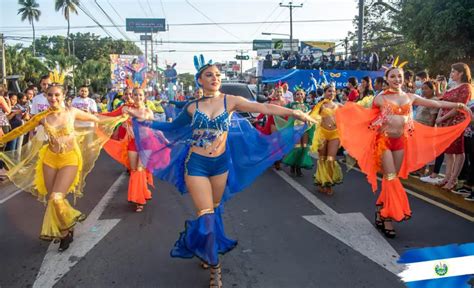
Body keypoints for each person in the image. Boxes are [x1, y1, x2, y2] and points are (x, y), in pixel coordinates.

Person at [129, 56, 315, 287]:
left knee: (214, 211)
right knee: (206, 213)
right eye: (209, 75)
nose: (215, 78)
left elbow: (264, 107)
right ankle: (215, 267)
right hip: (195, 164)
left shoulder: (231, 100)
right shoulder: (192, 107)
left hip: (220, 165)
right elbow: (170, 128)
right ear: (200, 80)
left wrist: (295, 113)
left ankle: (206, 247)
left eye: (218, 75)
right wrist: (145, 123)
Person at [335, 66, 471, 239]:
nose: (397, 79)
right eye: (393, 76)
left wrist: (459, 105)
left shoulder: (410, 97)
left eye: (399, 76)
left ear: (404, 79)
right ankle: (387, 217)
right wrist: (344, 110)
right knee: (391, 177)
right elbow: (365, 115)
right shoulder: (380, 98)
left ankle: (380, 210)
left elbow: (436, 103)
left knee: (392, 178)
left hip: (400, 143)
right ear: (387, 79)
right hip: (383, 142)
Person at [0, 82, 124, 251]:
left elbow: (99, 118)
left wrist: (122, 117)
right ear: (46, 96)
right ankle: (66, 229)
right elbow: (19, 131)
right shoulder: (42, 117)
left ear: (64, 96)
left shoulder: (72, 112)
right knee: (53, 199)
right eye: (50, 95)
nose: (53, 98)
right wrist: (1, 140)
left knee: (56, 198)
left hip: (70, 159)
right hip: (49, 159)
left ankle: (66, 231)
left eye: (57, 95)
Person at [102, 88, 155, 212]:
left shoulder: (147, 111)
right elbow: (111, 115)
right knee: (134, 170)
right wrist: (93, 115)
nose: (137, 97)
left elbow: (151, 124)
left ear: (144, 96)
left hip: (145, 144)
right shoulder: (127, 109)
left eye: (140, 95)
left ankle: (139, 200)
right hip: (132, 143)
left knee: (140, 168)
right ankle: (141, 193)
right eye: (135, 94)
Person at [435, 63, 473, 190]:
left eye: (453, 71)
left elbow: (459, 107)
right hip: (444, 123)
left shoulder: (466, 87)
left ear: (461, 73)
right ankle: (447, 177)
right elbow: (443, 102)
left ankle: (453, 179)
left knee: (458, 150)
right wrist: (439, 118)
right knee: (448, 151)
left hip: (456, 123)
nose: (451, 74)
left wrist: (442, 118)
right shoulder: (452, 86)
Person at [309, 86, 343, 195]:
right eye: (329, 91)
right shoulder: (320, 105)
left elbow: (351, 113)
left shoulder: (339, 106)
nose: (331, 93)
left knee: (330, 159)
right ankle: (321, 181)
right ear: (324, 93)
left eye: (333, 91)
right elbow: (312, 116)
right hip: (322, 134)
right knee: (322, 159)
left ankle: (328, 184)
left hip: (335, 134)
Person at [282, 88, 314, 176]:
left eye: (301, 94)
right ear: (295, 96)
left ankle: (298, 167)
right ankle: (293, 164)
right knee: (297, 148)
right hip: (295, 129)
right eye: (297, 94)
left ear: (304, 95)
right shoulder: (291, 105)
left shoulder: (307, 106)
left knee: (304, 148)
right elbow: (282, 112)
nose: (300, 96)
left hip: (305, 129)